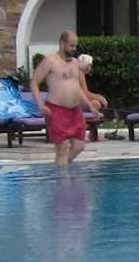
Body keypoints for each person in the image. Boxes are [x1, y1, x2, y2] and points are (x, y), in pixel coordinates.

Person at [28, 31, 108, 167]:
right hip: (56, 110)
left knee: (79, 146)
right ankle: (62, 175)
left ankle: (60, 169)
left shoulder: (75, 63)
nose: (74, 49)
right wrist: (40, 104)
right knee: (63, 148)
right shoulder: (50, 61)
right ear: (62, 43)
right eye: (71, 46)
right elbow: (34, 82)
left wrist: (90, 106)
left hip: (75, 111)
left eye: (75, 46)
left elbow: (77, 88)